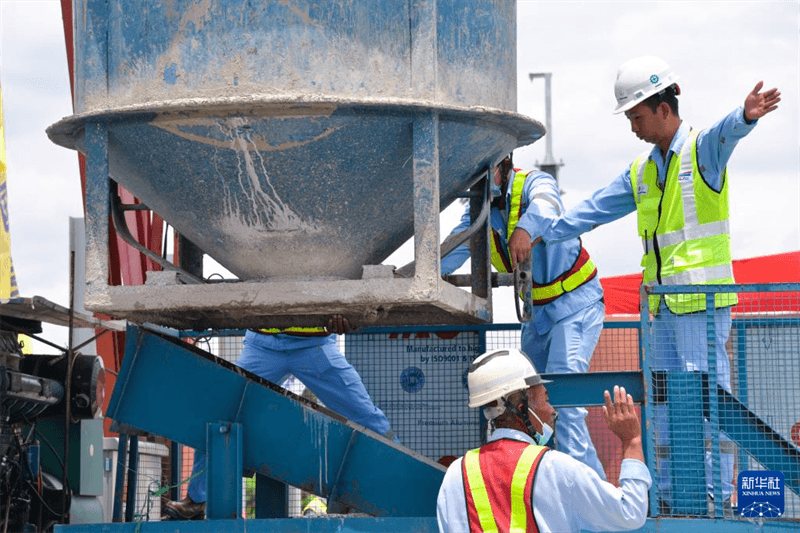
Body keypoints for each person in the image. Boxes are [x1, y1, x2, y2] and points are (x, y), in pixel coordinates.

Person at [510, 56, 780, 512]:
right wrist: (540, 231)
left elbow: (725, 133)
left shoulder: (700, 151)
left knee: (708, 404)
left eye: (636, 116)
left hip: (700, 304)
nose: (632, 126)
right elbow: (591, 209)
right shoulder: (642, 171)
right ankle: (676, 498)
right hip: (663, 311)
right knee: (670, 411)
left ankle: (711, 497)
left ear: (664, 107)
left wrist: (746, 115)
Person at [441, 156, 607, 479]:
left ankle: (591, 495)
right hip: (536, 318)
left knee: (565, 404)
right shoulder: (478, 212)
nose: (478, 180)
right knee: (530, 404)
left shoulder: (532, 183)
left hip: (575, 306)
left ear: (504, 165)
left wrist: (526, 229)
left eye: (485, 171)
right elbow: (449, 253)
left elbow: (548, 203)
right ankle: (549, 483)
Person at [163, 316, 396, 520]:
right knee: (220, 412)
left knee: (367, 418)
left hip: (314, 347)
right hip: (263, 345)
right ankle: (197, 499)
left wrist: (344, 314)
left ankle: (401, 482)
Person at [436, 348, 651, 533]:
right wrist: (631, 440)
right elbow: (630, 512)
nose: (551, 410)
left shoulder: (457, 472)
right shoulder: (555, 467)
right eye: (546, 399)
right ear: (521, 407)